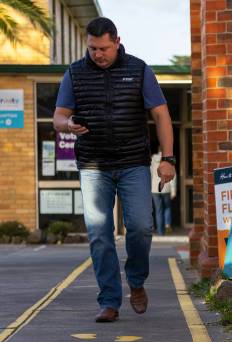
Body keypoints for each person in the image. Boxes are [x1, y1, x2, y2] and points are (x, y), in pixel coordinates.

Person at [53, 17, 176, 323]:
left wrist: (168, 159)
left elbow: (161, 115)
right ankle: (109, 300)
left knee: (140, 226)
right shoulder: (74, 73)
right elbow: (58, 117)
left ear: (117, 41)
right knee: (99, 234)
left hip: (133, 162)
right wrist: (69, 125)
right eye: (93, 48)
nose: (98, 54)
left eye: (104, 48)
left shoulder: (138, 69)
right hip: (94, 166)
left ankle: (135, 281)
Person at [150, 150, 177, 235]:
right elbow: (173, 176)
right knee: (167, 208)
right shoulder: (169, 159)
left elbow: (149, 175)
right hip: (166, 188)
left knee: (158, 210)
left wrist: (149, 188)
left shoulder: (152, 160)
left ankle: (160, 232)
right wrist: (173, 190)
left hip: (155, 189)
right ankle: (167, 225)